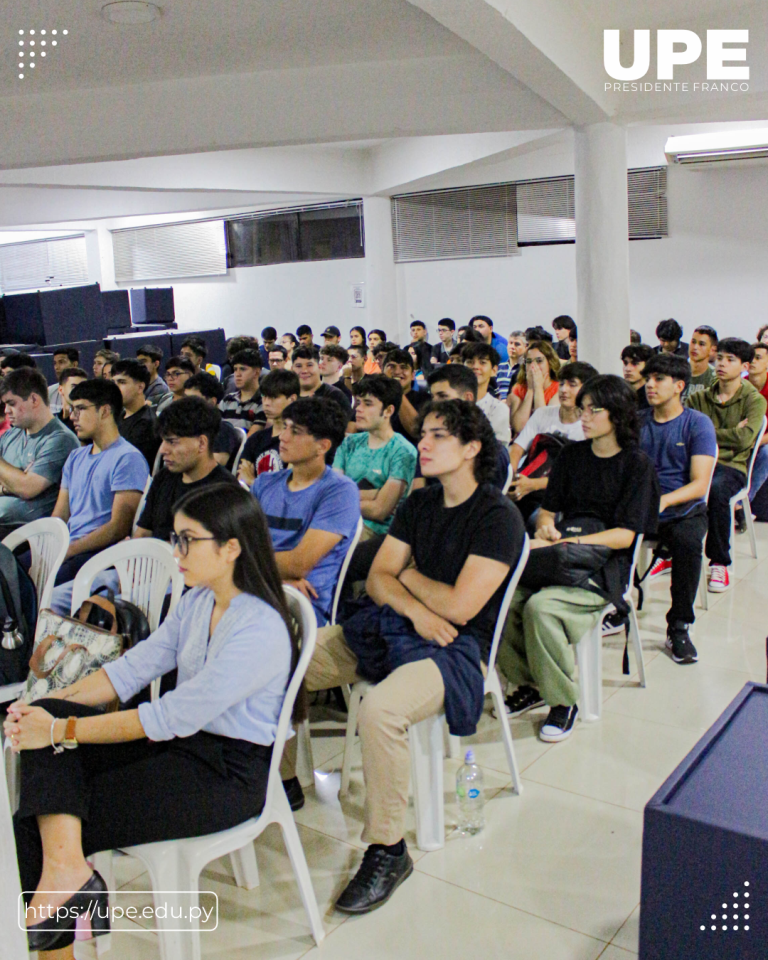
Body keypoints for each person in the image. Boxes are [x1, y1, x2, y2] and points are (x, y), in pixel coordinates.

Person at [5, 485, 301, 955]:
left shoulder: (259, 627)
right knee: (47, 785)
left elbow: (169, 716)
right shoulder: (199, 600)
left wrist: (60, 729)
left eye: (187, 540)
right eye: (174, 538)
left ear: (231, 548)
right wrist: (44, 707)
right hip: (184, 745)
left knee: (52, 814)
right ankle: (67, 879)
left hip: (229, 774)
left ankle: (58, 920)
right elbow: (131, 669)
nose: (175, 551)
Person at [285, 399, 525, 912]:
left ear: (472, 449)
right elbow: (376, 579)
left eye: (439, 436)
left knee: (381, 710)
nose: (425, 444)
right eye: (426, 435)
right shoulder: (420, 504)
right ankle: (279, 780)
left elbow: (461, 608)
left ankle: (388, 847)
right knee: (286, 660)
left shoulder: (497, 517)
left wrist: (406, 577)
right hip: (401, 626)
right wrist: (414, 604)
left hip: (456, 649)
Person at [498, 375, 660, 740]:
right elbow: (548, 510)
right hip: (561, 556)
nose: (583, 416)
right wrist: (545, 529)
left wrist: (571, 542)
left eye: (593, 410)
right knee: (503, 601)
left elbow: (625, 535)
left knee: (541, 609)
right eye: (582, 409)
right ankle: (534, 682)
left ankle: (563, 700)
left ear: (617, 416)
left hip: (603, 566)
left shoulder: (637, 466)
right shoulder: (572, 455)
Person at [251, 398, 360, 626]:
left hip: (301, 609)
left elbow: (298, 564)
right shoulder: (264, 483)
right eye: (285, 427)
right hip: (254, 588)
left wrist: (244, 562)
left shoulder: (339, 491)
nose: (283, 437)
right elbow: (234, 543)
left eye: (296, 431)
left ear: (323, 446)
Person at [639, 354, 717, 664]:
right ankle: (616, 607)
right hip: (641, 508)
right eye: (648, 379)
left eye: (658, 379)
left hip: (683, 509)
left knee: (687, 543)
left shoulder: (697, 424)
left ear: (679, 386)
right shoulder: (637, 421)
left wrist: (665, 501)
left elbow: (700, 484)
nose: (650, 385)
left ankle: (679, 625)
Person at [50, 379, 149, 594]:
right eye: (72, 408)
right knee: (11, 571)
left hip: (99, 552)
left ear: (104, 411)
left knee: (45, 585)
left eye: (81, 409)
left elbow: (118, 527)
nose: (72, 416)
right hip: (70, 548)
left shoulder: (127, 458)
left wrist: (69, 550)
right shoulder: (76, 456)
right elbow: (60, 515)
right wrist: (49, 547)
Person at [686, 337, 768, 592]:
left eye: (730, 360)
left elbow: (746, 439)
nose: (721, 364)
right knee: (668, 482)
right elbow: (686, 432)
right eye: (719, 357)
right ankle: (670, 552)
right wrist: (728, 431)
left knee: (717, 489)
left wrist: (708, 431)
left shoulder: (754, 401)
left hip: (733, 467)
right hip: (699, 461)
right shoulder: (700, 398)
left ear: (744, 365)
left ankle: (719, 562)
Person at [135, 398, 239, 542]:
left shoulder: (225, 491)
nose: (163, 450)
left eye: (172, 442)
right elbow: (143, 532)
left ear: (201, 443)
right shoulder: (164, 477)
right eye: (163, 441)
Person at [508, 361, 597, 525]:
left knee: (533, 520)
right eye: (562, 383)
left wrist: (532, 485)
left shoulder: (590, 426)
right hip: (526, 483)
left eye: (572, 385)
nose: (564, 390)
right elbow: (517, 449)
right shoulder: (543, 414)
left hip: (560, 498)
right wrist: (511, 478)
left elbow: (578, 477)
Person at [334, 375, 416, 539]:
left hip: (377, 534)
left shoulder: (403, 451)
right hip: (339, 523)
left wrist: (342, 500)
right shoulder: (349, 443)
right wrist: (373, 494)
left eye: (368, 403)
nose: (358, 409)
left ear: (388, 411)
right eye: (358, 402)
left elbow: (379, 511)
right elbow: (331, 493)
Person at [0, 368, 80, 537]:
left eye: (11, 403)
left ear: (34, 399)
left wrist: (13, 481)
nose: (6, 411)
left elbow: (27, 487)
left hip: (28, 535)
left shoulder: (60, 440)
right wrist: (11, 484)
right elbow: (20, 484)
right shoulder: (11, 435)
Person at [237, 370, 299, 484]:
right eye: (264, 397)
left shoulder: (299, 440)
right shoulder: (255, 439)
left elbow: (288, 489)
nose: (266, 403)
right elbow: (242, 479)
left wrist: (253, 482)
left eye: (273, 397)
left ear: (292, 399)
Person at [184, 372, 244, 469]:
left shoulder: (223, 430)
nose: (187, 405)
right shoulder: (187, 428)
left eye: (193, 400)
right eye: (186, 399)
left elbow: (217, 464)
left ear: (212, 402)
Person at [112, 359, 161, 470]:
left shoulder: (147, 424)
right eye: (114, 382)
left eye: (122, 382)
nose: (115, 388)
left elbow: (130, 465)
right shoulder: (118, 416)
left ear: (140, 387)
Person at [461, 342, 512, 444]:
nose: (475, 367)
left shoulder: (498, 409)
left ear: (494, 370)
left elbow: (497, 450)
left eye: (482, 362)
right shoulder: (452, 401)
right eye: (470, 362)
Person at [509, 340, 561, 435]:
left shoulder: (558, 389)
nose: (533, 366)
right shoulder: (518, 388)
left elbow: (543, 426)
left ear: (550, 362)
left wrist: (538, 389)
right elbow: (519, 427)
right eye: (529, 361)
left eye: (539, 361)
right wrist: (530, 390)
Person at [382, 349, 431, 443]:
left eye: (403, 367)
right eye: (391, 366)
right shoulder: (375, 398)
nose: (397, 372)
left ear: (413, 375)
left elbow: (415, 430)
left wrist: (396, 389)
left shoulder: (425, 399)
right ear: (382, 372)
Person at [291, 345, 352, 417]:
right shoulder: (286, 394)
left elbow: (349, 426)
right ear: (292, 369)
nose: (304, 371)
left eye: (309, 365)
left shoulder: (336, 396)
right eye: (298, 366)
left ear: (318, 366)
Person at [218, 348, 266, 433]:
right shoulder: (227, 400)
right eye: (235, 369)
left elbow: (250, 441)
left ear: (257, 372)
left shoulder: (264, 402)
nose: (237, 374)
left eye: (243, 369)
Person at [683, 326, 718, 401]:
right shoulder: (676, 372)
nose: (695, 347)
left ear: (712, 350)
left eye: (701, 344)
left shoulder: (716, 378)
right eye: (693, 342)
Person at [136, 343, 171, 407]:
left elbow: (142, 409)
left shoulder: (160, 387)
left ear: (156, 364)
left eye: (143, 361)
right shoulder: (139, 383)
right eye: (138, 362)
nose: (139, 365)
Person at [56, 367, 89, 434]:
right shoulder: (53, 423)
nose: (79, 391)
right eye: (74, 387)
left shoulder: (89, 423)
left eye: (83, 387)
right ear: (60, 389)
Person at [621, 343, 653, 410]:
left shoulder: (652, 396)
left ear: (647, 365)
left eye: (635, 364)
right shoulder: (619, 394)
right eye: (625, 363)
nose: (627, 369)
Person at [497, 331, 527, 400]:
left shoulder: (525, 368)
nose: (512, 347)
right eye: (510, 343)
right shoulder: (499, 367)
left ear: (525, 347)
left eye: (517, 344)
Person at [49, 348, 80, 414]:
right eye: (55, 363)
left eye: (61, 362)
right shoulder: (49, 392)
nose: (56, 367)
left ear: (74, 365)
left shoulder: (87, 391)